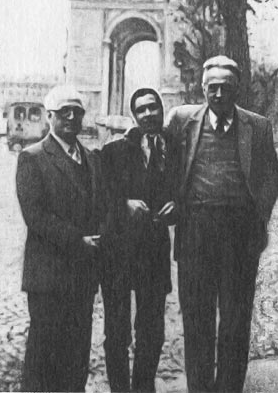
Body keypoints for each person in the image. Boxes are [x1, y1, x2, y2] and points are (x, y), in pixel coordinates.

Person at [166, 55, 278, 393]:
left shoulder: (258, 127)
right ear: (203, 89)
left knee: (235, 320)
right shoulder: (182, 121)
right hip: (196, 232)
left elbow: (271, 177)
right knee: (197, 321)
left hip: (239, 235)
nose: (218, 94)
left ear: (237, 90)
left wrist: (259, 217)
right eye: (212, 87)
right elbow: (162, 158)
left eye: (225, 88)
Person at [16, 84, 104, 392]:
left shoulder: (91, 159)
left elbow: (100, 206)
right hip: (48, 277)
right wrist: (78, 242)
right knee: (43, 360)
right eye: (63, 112)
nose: (70, 118)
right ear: (49, 116)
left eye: (76, 112)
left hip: (82, 276)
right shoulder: (33, 157)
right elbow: (36, 216)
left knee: (76, 358)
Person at [99, 88, 179, 392]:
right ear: (134, 116)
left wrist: (178, 206)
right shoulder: (114, 151)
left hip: (154, 251)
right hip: (118, 251)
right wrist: (124, 204)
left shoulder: (176, 149)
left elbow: (185, 187)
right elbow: (100, 196)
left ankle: (143, 387)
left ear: (161, 109)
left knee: (152, 330)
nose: (148, 114)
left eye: (152, 107)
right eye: (141, 110)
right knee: (117, 332)